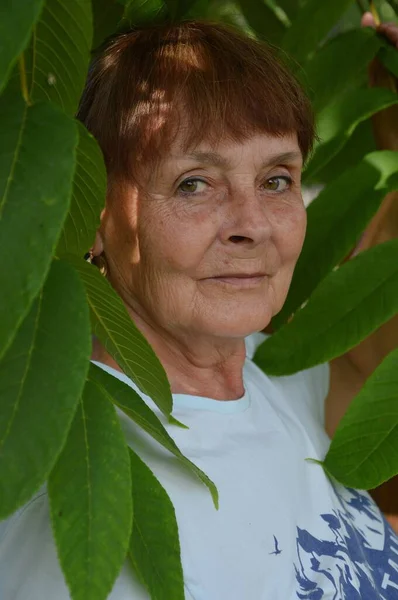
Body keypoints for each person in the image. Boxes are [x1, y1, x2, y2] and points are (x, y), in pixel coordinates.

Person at [1, 12, 398, 600]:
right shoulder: (75, 493)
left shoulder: (268, 369)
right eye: (194, 182)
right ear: (91, 215)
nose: (252, 226)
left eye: (277, 179)